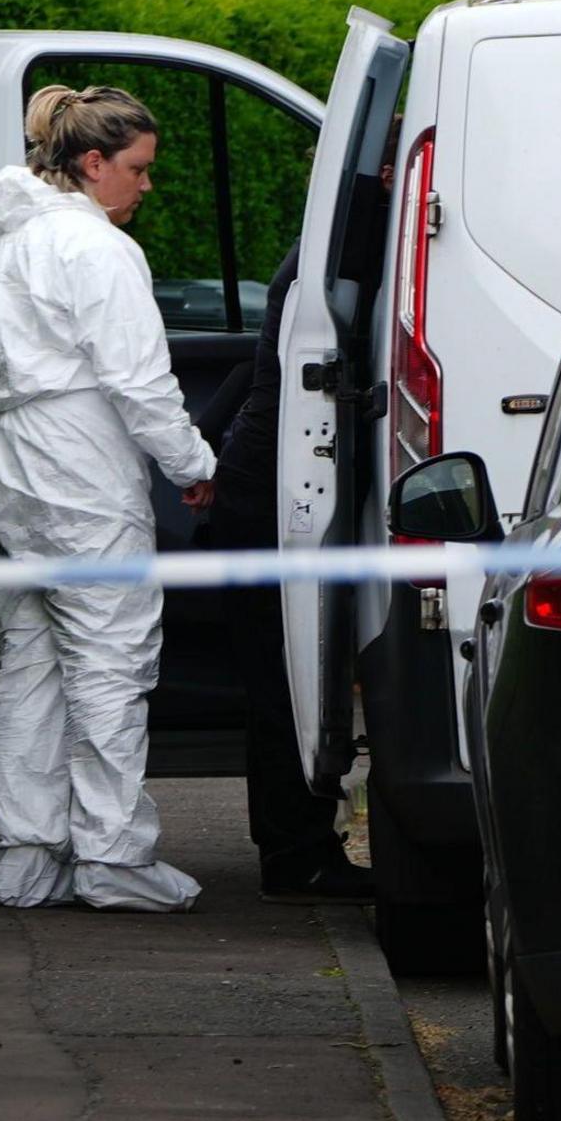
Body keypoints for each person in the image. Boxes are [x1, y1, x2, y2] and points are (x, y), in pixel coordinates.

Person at [0, 85, 217, 911]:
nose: (145, 184)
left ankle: (26, 856)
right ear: (92, 162)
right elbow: (139, 380)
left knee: (29, 659)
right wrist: (191, 462)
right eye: (137, 168)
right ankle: (112, 856)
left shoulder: (0, 245)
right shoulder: (94, 249)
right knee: (109, 656)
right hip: (71, 470)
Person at [189, 248, 374, 902]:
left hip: (259, 482)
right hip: (273, 489)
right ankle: (296, 856)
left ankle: (296, 848)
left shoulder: (317, 255)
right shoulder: (341, 257)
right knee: (286, 681)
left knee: (282, 679)